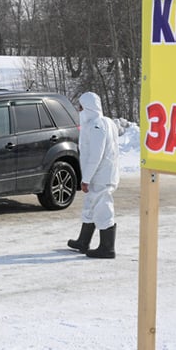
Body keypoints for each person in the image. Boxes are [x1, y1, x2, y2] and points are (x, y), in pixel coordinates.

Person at [68, 91, 120, 259]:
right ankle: (83, 241)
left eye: (81, 107)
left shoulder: (97, 125)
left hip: (100, 176)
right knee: (90, 206)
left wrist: (86, 179)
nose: (79, 110)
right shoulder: (105, 122)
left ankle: (107, 247)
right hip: (101, 175)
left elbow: (95, 155)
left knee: (103, 209)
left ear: (88, 107)